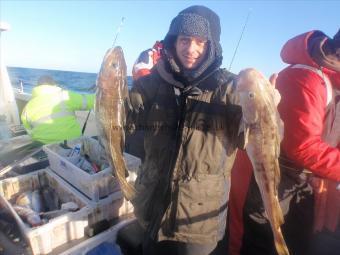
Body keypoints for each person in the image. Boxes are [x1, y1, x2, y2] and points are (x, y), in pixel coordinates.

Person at [127, 5, 246, 255]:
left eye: (200, 42)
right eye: (184, 40)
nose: (190, 49)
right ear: (173, 41)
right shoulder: (150, 84)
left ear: (211, 45)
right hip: (151, 207)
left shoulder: (231, 88)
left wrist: (265, 108)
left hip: (198, 222)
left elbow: (259, 137)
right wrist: (110, 96)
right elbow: (125, 125)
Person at [227, 29, 340, 255]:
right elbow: (303, 146)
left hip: (302, 182)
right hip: (271, 180)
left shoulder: (331, 79)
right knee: (261, 242)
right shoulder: (308, 78)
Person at [21, 75, 95, 144]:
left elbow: (29, 131)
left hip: (42, 146)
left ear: (37, 87)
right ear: (54, 85)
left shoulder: (27, 106)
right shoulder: (65, 95)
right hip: (72, 144)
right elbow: (93, 101)